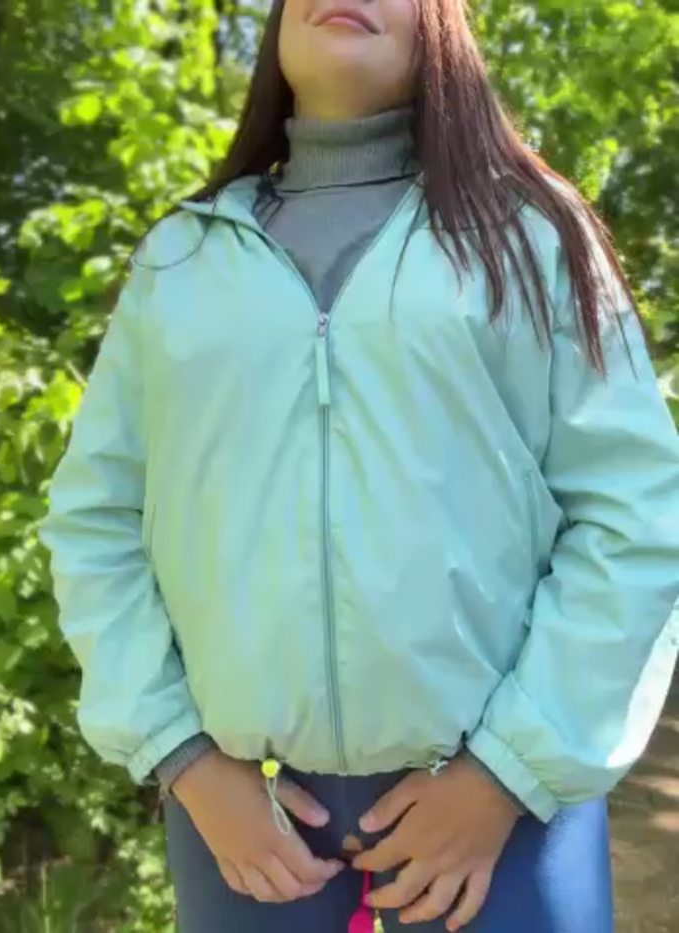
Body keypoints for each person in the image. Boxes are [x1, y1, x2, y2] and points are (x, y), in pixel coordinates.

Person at [39, 0, 679, 929]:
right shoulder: (181, 257)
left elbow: (636, 512)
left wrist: (506, 772)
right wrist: (182, 755)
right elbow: (95, 519)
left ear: (441, 22)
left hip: (500, 808)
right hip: (243, 813)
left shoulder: (532, 234)